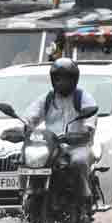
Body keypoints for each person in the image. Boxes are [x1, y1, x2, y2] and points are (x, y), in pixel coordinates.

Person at [21, 57, 98, 211]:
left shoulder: (83, 98)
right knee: (23, 159)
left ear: (74, 79)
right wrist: (20, 128)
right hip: (52, 147)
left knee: (78, 161)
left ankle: (85, 196)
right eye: (58, 78)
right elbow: (30, 116)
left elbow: (90, 122)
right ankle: (26, 194)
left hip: (77, 146)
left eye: (66, 79)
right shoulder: (47, 99)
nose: (61, 82)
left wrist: (82, 133)